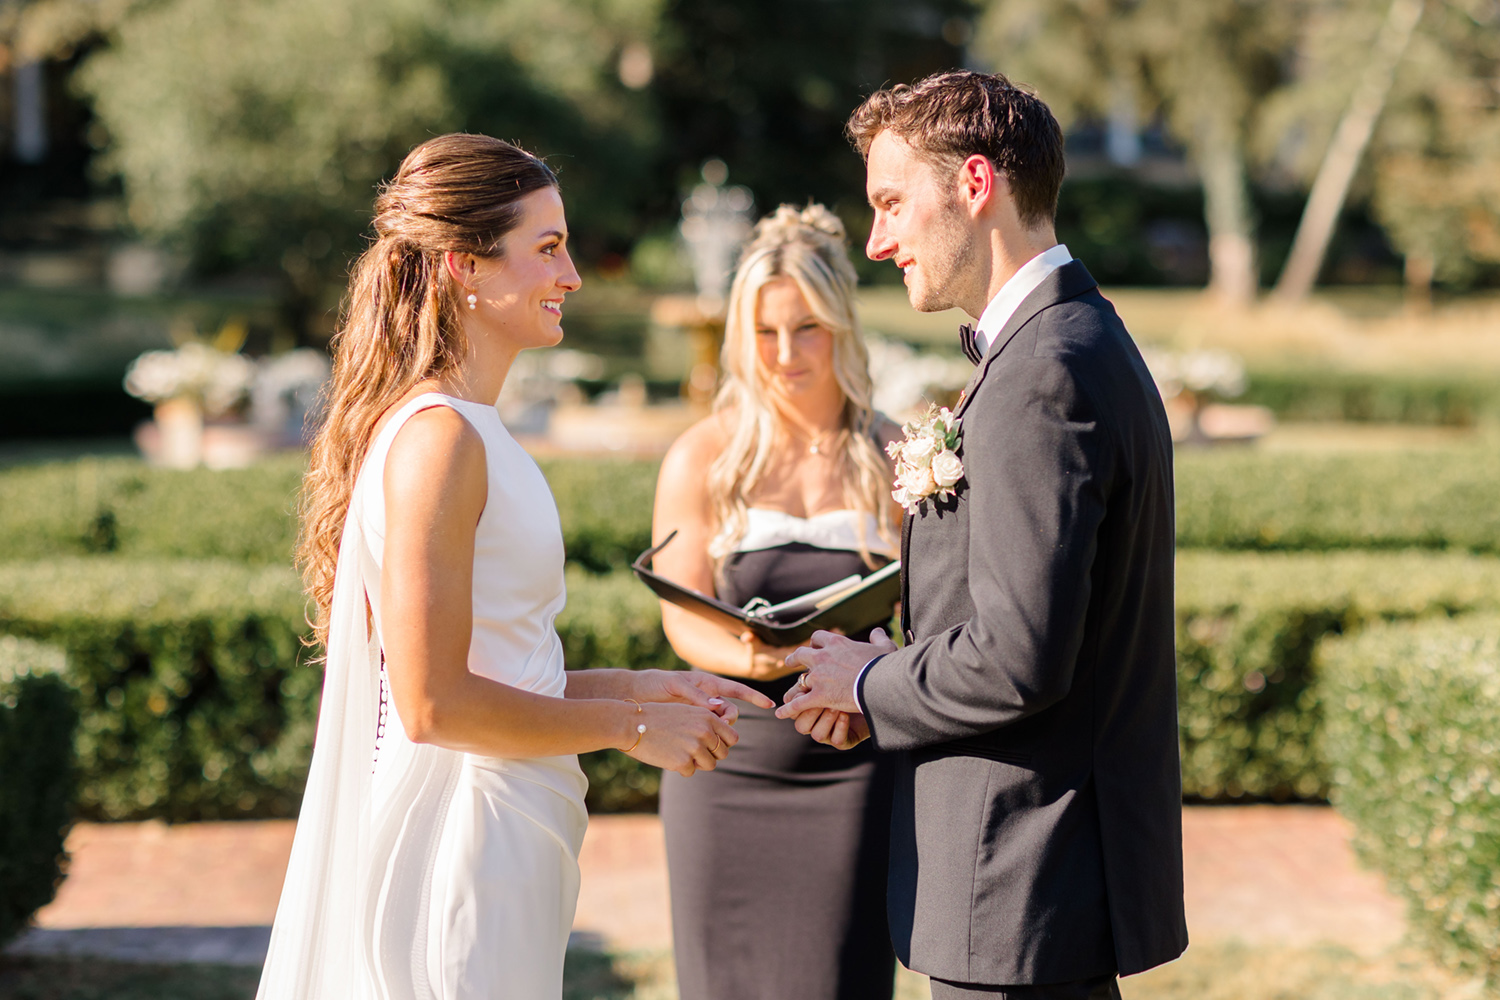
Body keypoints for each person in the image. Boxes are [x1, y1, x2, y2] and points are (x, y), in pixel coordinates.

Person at [255, 133, 772, 1000]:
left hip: (510, 835)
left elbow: (505, 668)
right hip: (460, 843)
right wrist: (632, 732)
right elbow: (433, 705)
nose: (572, 275)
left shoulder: (467, 429)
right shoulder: (440, 440)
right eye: (546, 249)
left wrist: (642, 689)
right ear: (465, 265)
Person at [778, 71, 1189, 999]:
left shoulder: (1044, 372)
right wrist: (890, 669)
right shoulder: (1076, 339)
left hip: (1020, 875)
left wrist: (872, 679)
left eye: (891, 203)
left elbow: (1020, 656)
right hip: (1035, 886)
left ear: (974, 184)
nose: (879, 240)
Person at [650, 204, 903, 1000]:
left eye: (808, 329)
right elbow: (683, 616)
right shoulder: (703, 457)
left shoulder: (897, 455)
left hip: (853, 768)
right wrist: (780, 658)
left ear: (843, 329)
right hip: (725, 765)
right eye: (765, 333)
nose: (786, 354)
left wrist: (878, 674)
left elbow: (946, 621)